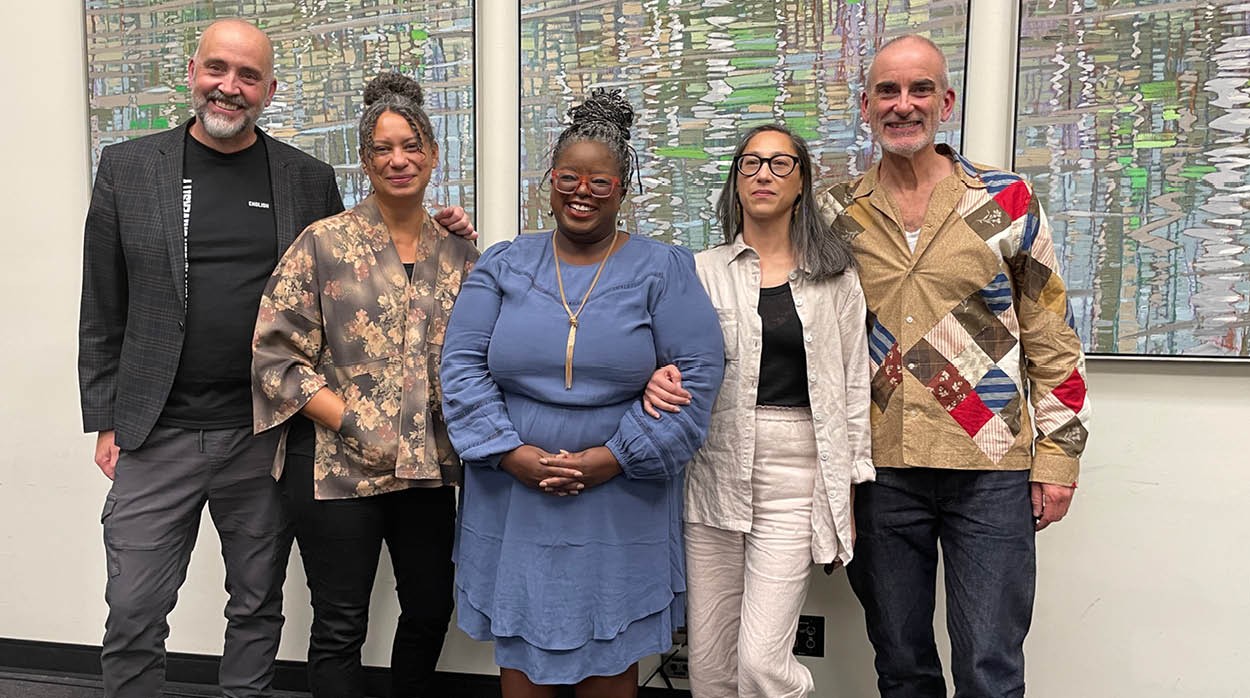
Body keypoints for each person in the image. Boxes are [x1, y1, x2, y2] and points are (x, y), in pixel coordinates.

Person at [648, 34, 1090, 698]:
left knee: (989, 665)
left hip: (989, 463)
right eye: (888, 91)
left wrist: (1060, 457)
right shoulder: (833, 212)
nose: (903, 105)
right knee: (901, 661)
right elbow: (768, 295)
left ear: (946, 101)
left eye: (919, 91)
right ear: (865, 105)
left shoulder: (1008, 201)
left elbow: (1053, 337)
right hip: (883, 474)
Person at [78, 20, 471, 697]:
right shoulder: (128, 167)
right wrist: (106, 417)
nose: (230, 87)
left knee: (256, 603)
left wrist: (454, 234)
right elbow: (102, 302)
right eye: (218, 70)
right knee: (135, 608)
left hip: (264, 435)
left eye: (248, 76)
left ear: (269, 90)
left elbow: (364, 279)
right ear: (193, 72)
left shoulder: (305, 178)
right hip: (156, 428)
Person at [439, 88, 725, 697]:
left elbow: (697, 377)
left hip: (620, 500)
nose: (582, 192)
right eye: (568, 177)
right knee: (521, 658)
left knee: (610, 649)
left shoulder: (663, 269)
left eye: (600, 181)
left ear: (624, 188)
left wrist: (613, 458)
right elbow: (461, 368)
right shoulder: (502, 264)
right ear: (549, 181)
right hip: (511, 493)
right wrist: (508, 452)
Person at [250, 72, 477, 697]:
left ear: (433, 153)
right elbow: (274, 355)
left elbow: (483, 353)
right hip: (334, 467)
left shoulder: (460, 253)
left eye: (412, 145)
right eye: (382, 148)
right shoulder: (324, 243)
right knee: (340, 623)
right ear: (364, 157)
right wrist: (351, 420)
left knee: (431, 608)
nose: (398, 160)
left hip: (426, 471)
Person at [653, 124, 874, 698]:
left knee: (759, 663)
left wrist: (845, 494)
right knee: (709, 667)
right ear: (735, 181)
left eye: (779, 164)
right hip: (713, 473)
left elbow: (853, 395)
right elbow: (663, 357)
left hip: (796, 476)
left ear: (801, 182)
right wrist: (654, 378)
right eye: (750, 164)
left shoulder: (837, 279)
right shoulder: (699, 272)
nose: (763, 175)